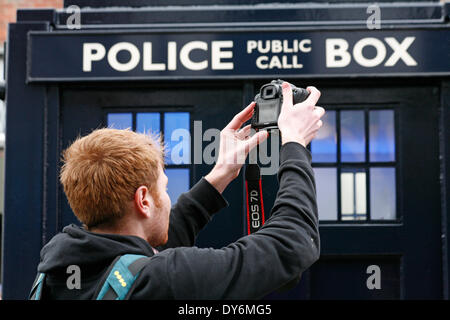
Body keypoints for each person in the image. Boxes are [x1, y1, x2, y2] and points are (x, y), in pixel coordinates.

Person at [32, 82, 324, 299]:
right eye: (165, 188)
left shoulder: (55, 271)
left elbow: (139, 251)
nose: (169, 200)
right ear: (143, 200)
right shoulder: (163, 280)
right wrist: (295, 144)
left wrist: (219, 176)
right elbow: (292, 244)